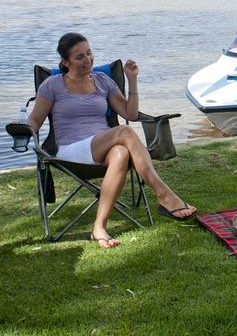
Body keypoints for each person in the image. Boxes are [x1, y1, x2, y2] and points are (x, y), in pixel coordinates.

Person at [27, 33, 197, 248]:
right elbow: (35, 119)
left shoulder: (102, 80)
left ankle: (99, 227)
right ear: (65, 62)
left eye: (89, 53)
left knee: (121, 152)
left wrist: (132, 80)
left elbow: (130, 113)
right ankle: (163, 193)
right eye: (79, 57)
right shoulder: (52, 85)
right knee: (124, 132)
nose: (88, 60)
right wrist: (23, 131)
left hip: (102, 146)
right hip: (71, 149)